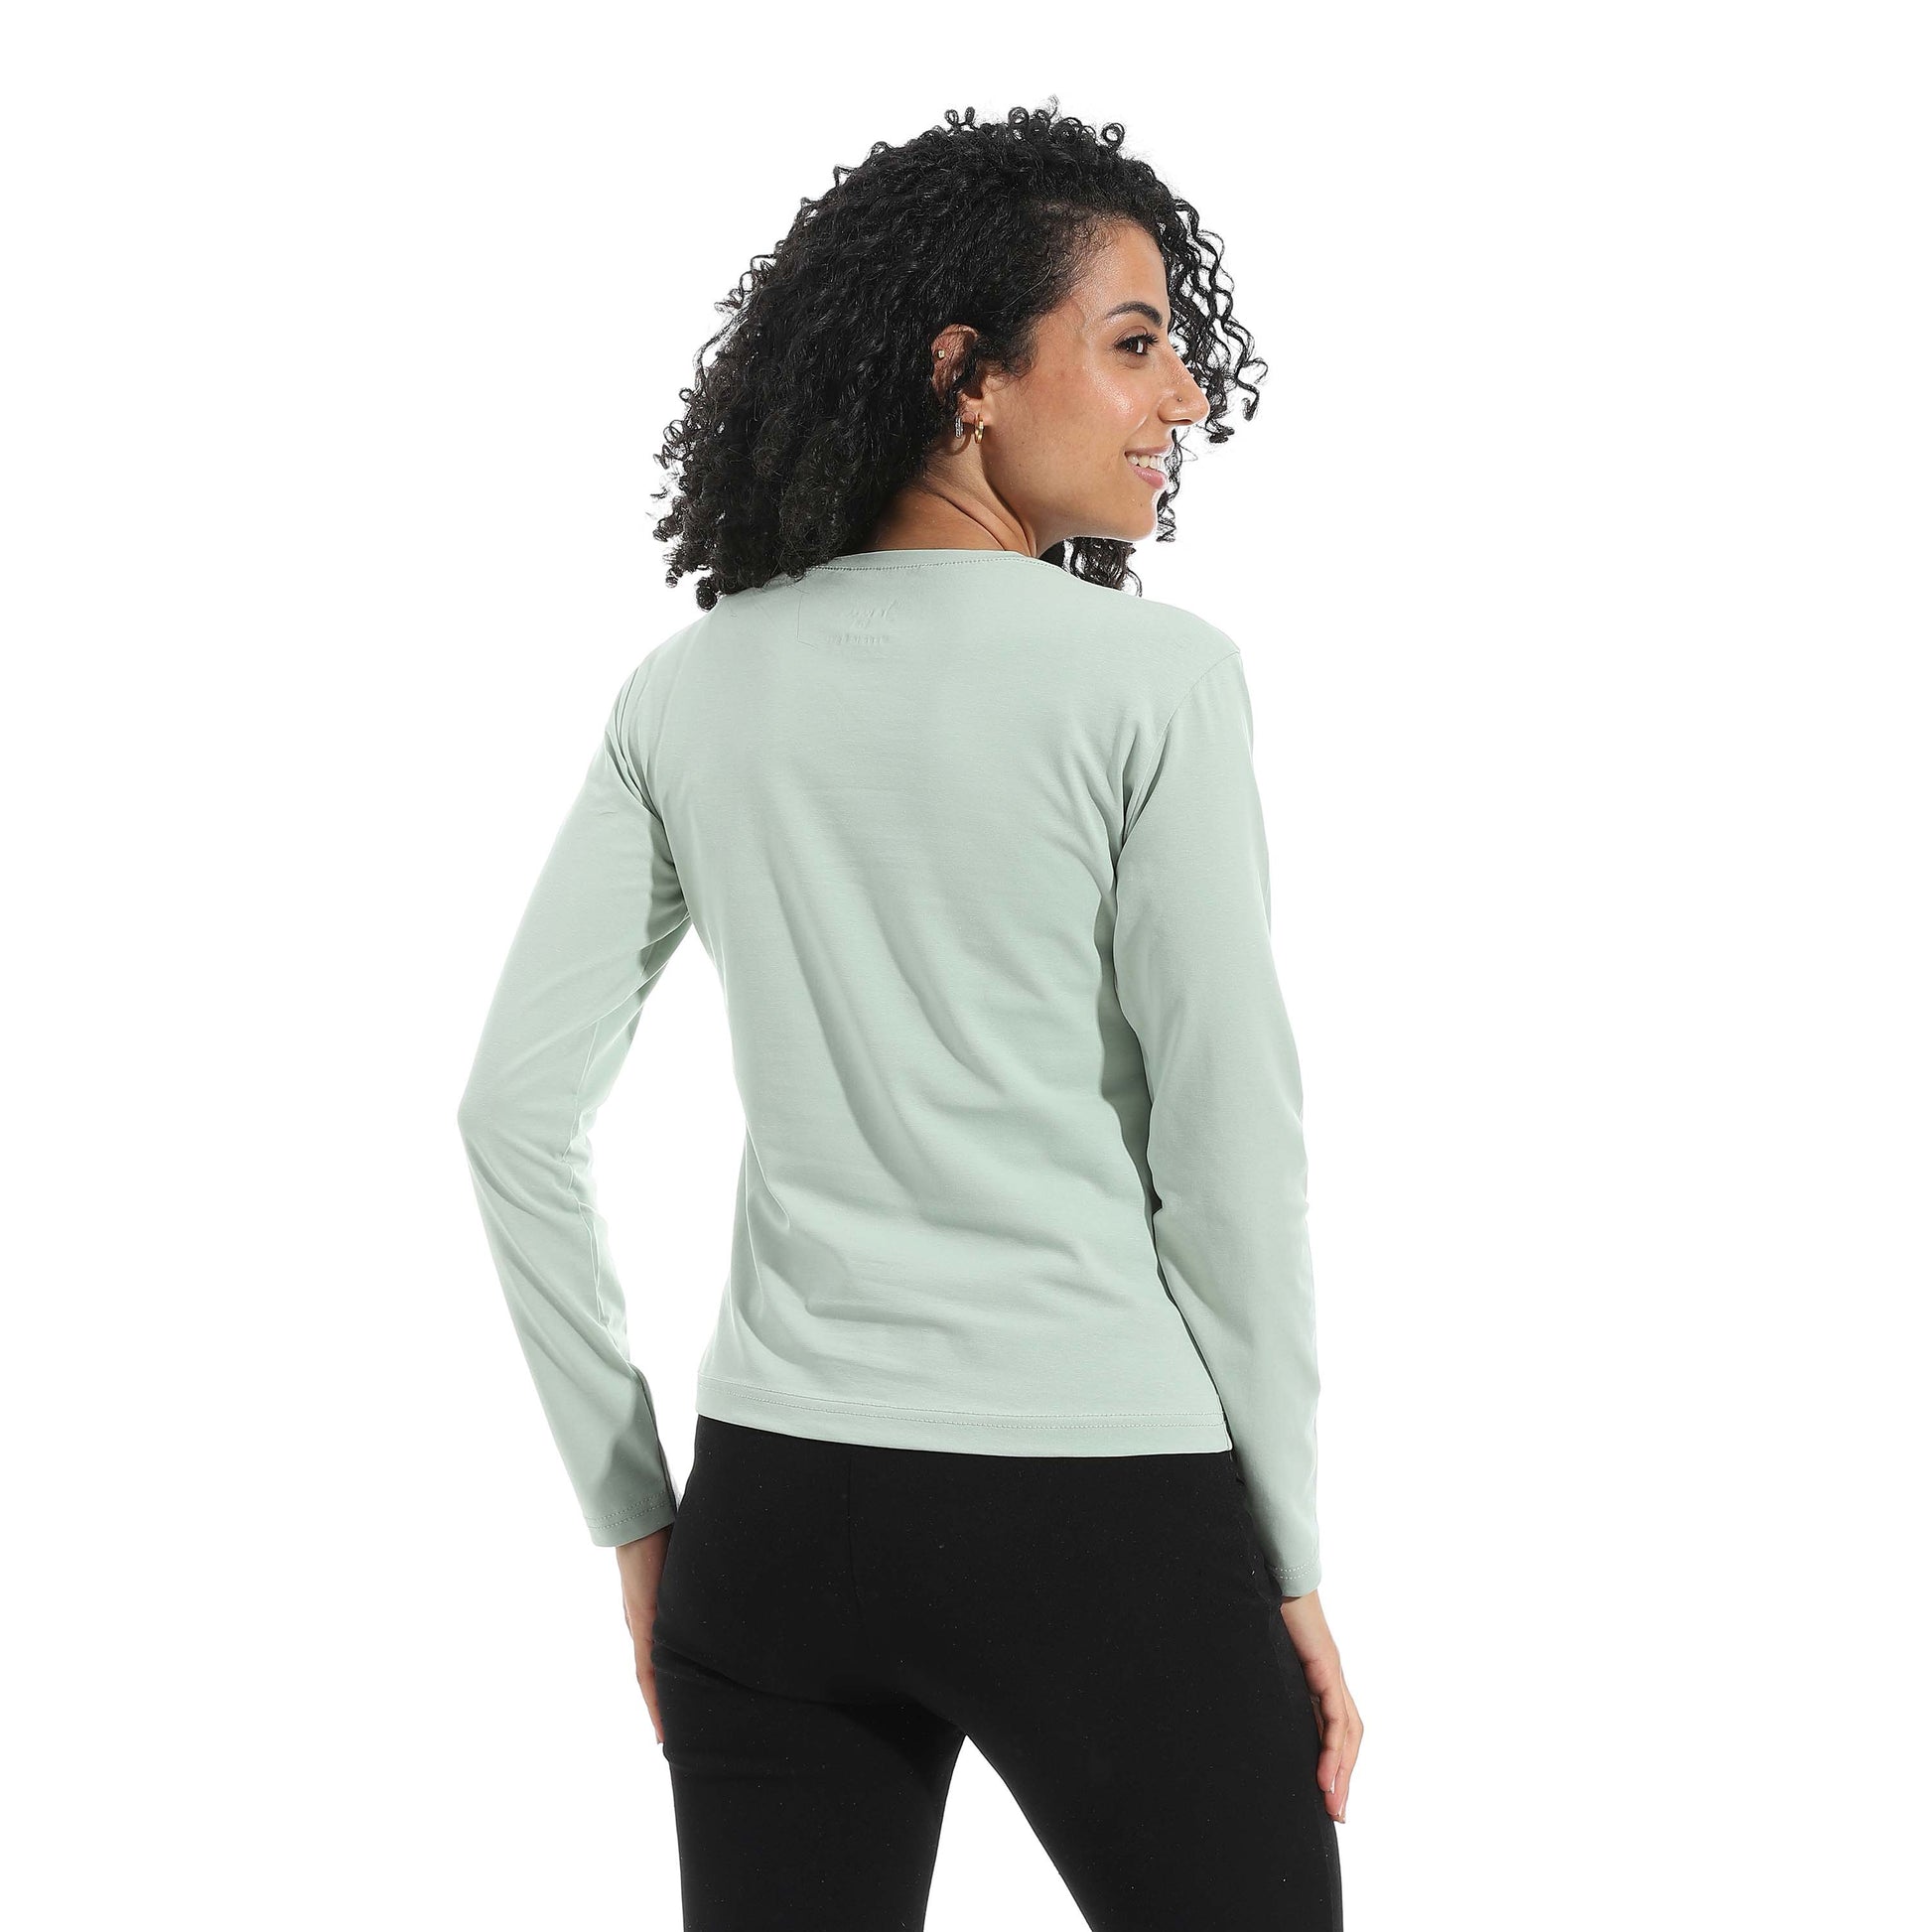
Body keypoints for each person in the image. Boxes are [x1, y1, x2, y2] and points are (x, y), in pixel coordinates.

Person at [456, 100, 1362, 1930]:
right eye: (1132, 343)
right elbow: (1226, 1153)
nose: (1183, 397)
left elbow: (510, 1114)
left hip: (777, 1516)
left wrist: (638, 1514)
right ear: (964, 374)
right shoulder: (1154, 682)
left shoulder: (689, 686)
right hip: (1100, 1507)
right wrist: (1282, 1558)